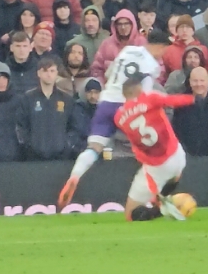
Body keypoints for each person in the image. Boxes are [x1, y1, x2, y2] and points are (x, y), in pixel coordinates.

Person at [58, 29, 173, 209]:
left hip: (106, 102)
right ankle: (153, 199)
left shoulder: (127, 50)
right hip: (125, 106)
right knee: (154, 150)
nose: (163, 55)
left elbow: (110, 72)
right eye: (164, 50)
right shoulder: (152, 65)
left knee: (94, 147)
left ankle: (75, 176)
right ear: (159, 46)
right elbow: (143, 93)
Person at [114, 75, 195, 221]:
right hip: (176, 155)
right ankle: (164, 200)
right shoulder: (150, 98)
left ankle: (160, 210)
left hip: (155, 166)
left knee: (130, 215)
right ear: (139, 90)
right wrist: (194, 98)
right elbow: (173, 101)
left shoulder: (119, 117)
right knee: (175, 175)